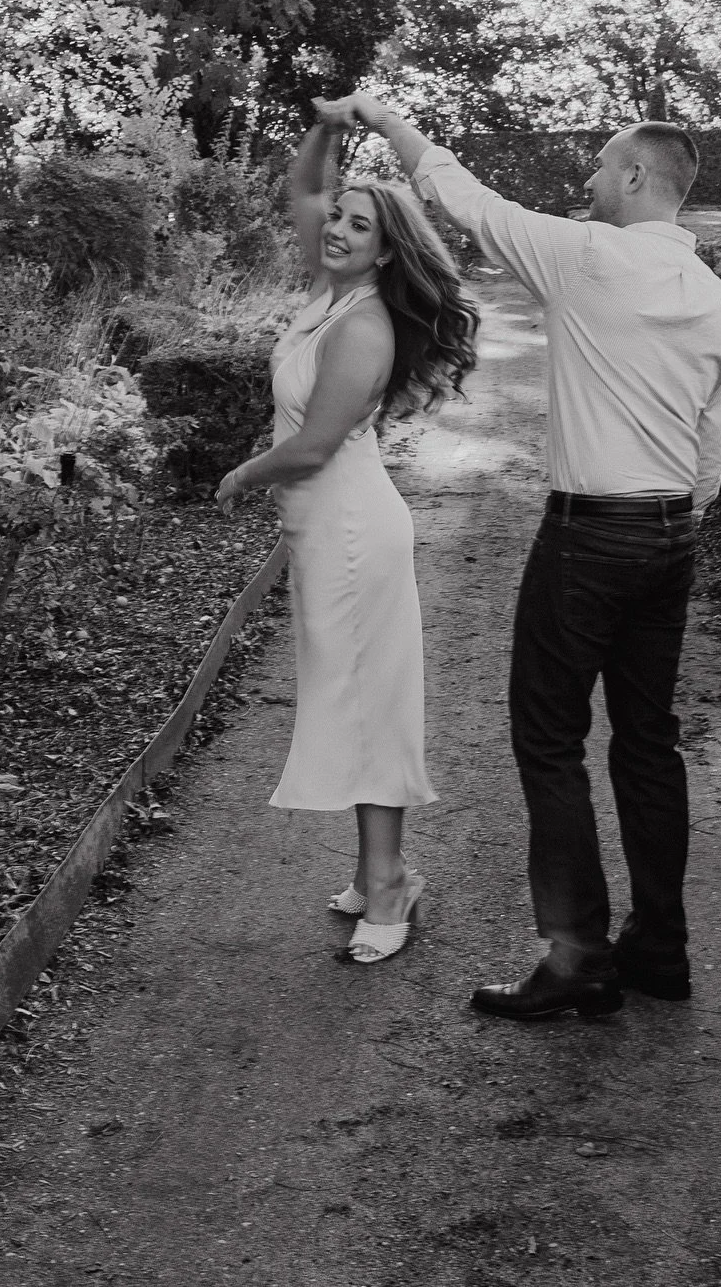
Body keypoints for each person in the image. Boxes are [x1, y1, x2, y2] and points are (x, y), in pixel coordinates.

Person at [337, 89, 721, 1019]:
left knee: (549, 739)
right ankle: (662, 950)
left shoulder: (588, 258)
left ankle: (577, 958)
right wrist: (674, 517)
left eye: (603, 165)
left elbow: (464, 198)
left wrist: (383, 120)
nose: (589, 179)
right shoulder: (720, 303)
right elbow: (712, 452)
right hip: (671, 534)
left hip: (590, 533)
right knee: (649, 742)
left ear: (638, 176)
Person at [215, 112, 479, 964]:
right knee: (348, 696)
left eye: (360, 225)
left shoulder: (363, 325)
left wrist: (240, 474)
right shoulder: (331, 289)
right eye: (339, 219)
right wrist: (329, 126)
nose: (336, 229)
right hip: (324, 531)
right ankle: (375, 873)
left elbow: (316, 444)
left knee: (368, 706)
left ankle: (392, 883)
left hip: (355, 531)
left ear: (387, 251)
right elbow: (303, 189)